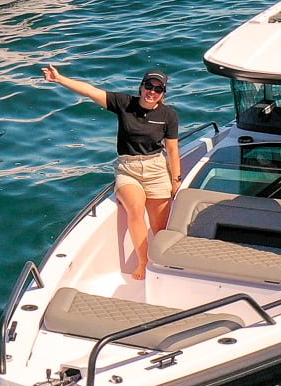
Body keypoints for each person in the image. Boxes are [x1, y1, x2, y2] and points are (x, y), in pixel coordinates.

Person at [40, 65, 181, 273]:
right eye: (149, 86)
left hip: (156, 170)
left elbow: (172, 150)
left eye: (158, 89)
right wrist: (60, 79)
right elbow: (90, 91)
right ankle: (143, 262)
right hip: (128, 169)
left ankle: (163, 263)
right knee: (135, 208)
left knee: (160, 227)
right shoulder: (124, 103)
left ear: (163, 94)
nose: (152, 92)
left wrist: (176, 180)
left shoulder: (168, 115)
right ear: (141, 87)